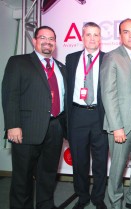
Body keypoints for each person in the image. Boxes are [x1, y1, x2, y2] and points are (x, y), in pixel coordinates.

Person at [2, 26, 66, 209]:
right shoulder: (18, 62)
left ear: (55, 42)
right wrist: (13, 125)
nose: (48, 42)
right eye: (43, 38)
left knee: (48, 175)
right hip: (26, 129)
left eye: (51, 38)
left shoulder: (61, 67)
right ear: (34, 41)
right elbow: (10, 94)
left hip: (55, 128)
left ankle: (46, 205)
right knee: (22, 177)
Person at [100, 18, 131, 209]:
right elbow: (108, 94)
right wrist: (116, 126)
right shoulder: (112, 57)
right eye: (126, 31)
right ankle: (114, 203)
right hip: (121, 123)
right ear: (120, 35)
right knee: (118, 167)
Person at [65, 22, 108, 209]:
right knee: (79, 161)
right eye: (88, 34)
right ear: (82, 37)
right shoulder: (71, 58)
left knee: (100, 162)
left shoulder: (109, 59)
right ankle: (82, 197)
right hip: (78, 116)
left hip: (100, 116)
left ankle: (98, 197)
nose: (92, 38)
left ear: (100, 38)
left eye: (96, 35)